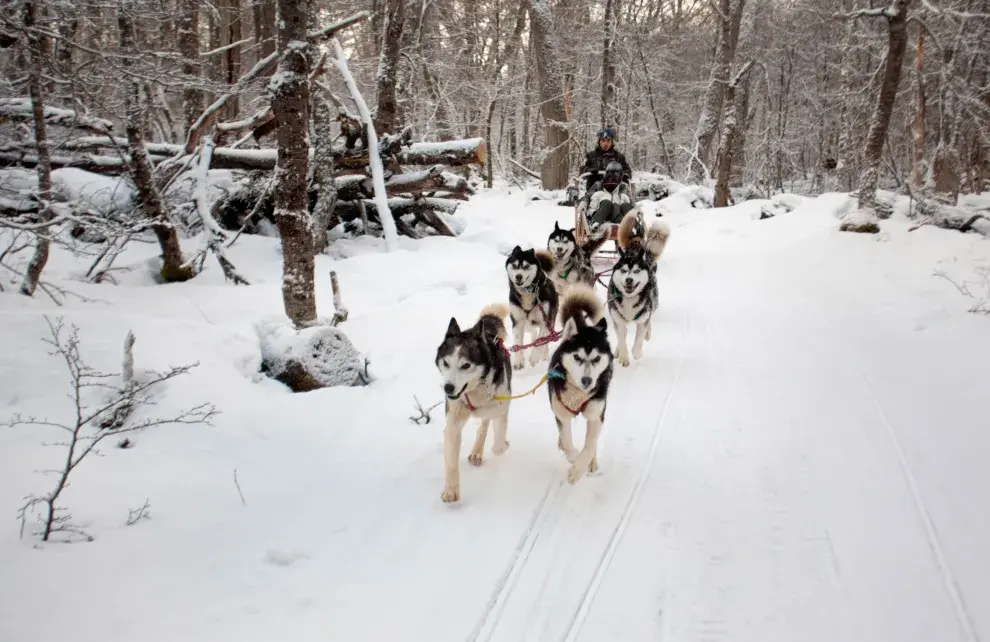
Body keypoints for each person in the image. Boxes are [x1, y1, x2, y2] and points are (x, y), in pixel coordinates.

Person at [580, 128, 632, 192]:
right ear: (599, 141)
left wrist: (621, 174)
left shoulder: (619, 157)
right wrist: (591, 171)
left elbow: (628, 171)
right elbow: (582, 169)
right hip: (594, 191)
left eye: (608, 141)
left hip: (615, 191)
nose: (605, 143)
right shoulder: (590, 156)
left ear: (612, 142)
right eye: (603, 140)